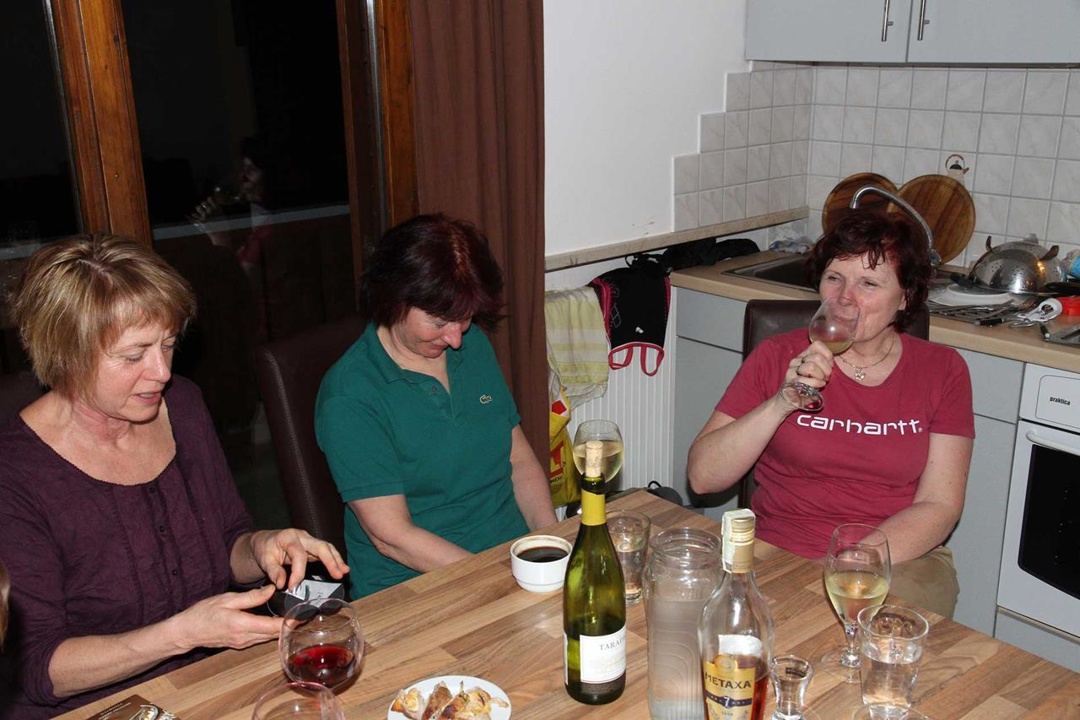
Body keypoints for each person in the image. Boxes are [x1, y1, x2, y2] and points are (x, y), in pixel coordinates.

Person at [0, 235, 348, 718]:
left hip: (202, 686)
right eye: (134, 355)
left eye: (167, 344)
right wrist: (182, 634)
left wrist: (262, 545)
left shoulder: (182, 405)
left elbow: (226, 543)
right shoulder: (15, 475)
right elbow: (37, 668)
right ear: (66, 354)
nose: (162, 371)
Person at [688, 210, 974, 618]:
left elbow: (940, 505)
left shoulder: (943, 370)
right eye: (835, 278)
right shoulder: (777, 356)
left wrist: (855, 561)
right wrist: (781, 402)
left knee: (884, 643)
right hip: (780, 550)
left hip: (897, 556)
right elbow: (702, 477)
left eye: (868, 284)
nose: (844, 298)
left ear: (905, 297)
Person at [316, 213, 558, 598]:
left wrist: (550, 547)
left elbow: (519, 459)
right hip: (416, 588)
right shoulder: (351, 395)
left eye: (465, 319)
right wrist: (499, 580)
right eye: (439, 322)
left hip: (511, 562)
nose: (456, 338)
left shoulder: (472, 345)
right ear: (393, 299)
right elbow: (393, 537)